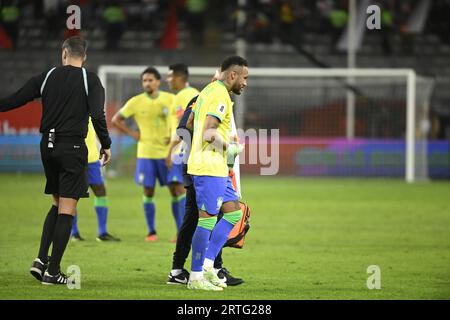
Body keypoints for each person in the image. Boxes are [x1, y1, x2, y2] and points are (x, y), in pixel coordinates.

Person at [0, 36, 112, 285]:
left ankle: (41, 261)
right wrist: (106, 144)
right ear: (84, 56)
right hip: (72, 148)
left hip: (47, 147)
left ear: (64, 53)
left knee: (57, 203)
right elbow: (97, 114)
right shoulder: (89, 79)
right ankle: (54, 272)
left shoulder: (47, 76)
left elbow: (15, 99)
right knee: (67, 209)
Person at [166, 68, 244, 287]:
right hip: (201, 166)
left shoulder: (224, 100)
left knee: (225, 214)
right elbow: (185, 129)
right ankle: (183, 269)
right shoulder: (202, 98)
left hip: (216, 166)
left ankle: (211, 267)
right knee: (197, 218)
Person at [186, 56, 248, 291]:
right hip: (208, 167)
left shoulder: (207, 91)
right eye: (245, 77)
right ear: (233, 75)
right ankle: (195, 276)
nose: (245, 83)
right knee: (208, 220)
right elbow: (207, 133)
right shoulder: (220, 94)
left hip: (216, 167)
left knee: (233, 213)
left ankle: (209, 265)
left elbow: (191, 123)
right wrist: (229, 147)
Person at [111, 67, 178, 242]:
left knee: (176, 190)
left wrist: (173, 135)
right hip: (146, 153)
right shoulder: (136, 101)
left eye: (150, 80)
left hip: (167, 154)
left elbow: (182, 117)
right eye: (144, 80)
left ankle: (180, 231)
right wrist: (132, 134)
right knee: (148, 191)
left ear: (158, 81)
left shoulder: (170, 99)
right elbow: (116, 119)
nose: (147, 83)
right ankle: (151, 232)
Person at [70, 118, 120, 242]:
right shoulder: (70, 109)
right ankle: (73, 232)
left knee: (100, 190)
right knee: (70, 195)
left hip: (92, 159)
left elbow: (97, 128)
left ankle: (102, 232)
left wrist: (104, 144)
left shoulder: (91, 109)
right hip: (74, 158)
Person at [165, 63, 199, 240]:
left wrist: (173, 148)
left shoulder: (190, 95)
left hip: (182, 149)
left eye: (170, 76)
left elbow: (188, 126)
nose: (168, 80)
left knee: (180, 189)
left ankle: (184, 232)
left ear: (179, 77)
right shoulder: (179, 96)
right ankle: (181, 230)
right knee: (174, 189)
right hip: (177, 148)